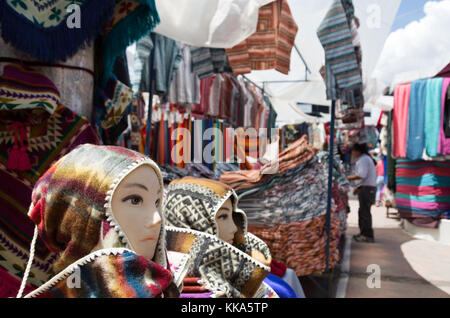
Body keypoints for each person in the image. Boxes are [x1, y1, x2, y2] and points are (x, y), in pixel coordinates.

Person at [17, 144, 179, 298]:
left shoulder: (164, 287)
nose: (157, 220)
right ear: (81, 217)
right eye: (135, 200)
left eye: (157, 202)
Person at [163, 177, 278, 298]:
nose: (234, 227)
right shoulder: (168, 289)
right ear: (191, 220)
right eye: (223, 216)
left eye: (232, 216)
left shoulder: (248, 275)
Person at [346, 143, 377, 243]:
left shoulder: (363, 159)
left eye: (353, 152)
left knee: (365, 213)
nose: (353, 154)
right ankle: (363, 233)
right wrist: (357, 187)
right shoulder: (365, 158)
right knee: (363, 211)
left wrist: (347, 177)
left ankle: (367, 235)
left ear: (358, 151)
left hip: (367, 190)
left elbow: (361, 175)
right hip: (366, 188)